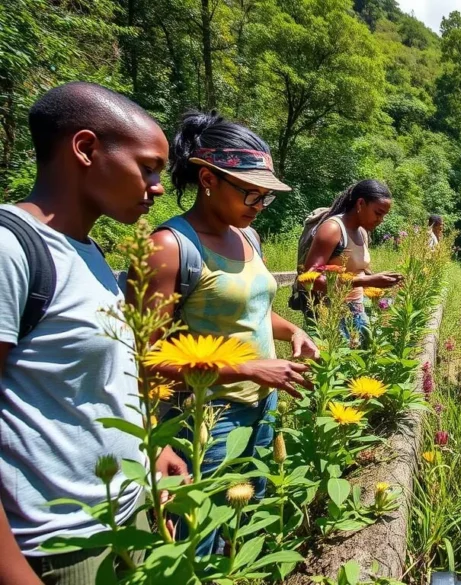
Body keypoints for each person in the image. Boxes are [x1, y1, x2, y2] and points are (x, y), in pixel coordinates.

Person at [0, 82, 188, 584]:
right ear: (85, 149)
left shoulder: (90, 253)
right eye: (147, 167)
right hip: (60, 544)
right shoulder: (11, 251)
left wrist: (153, 448)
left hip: (125, 512)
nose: (158, 186)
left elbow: (103, 381)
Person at [146, 111, 319, 557]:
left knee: (246, 523)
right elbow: (143, 360)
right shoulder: (171, 247)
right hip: (206, 417)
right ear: (208, 179)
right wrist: (247, 367)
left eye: (266, 197)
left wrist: (292, 330)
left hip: (263, 404)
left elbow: (255, 311)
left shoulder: (250, 237)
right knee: (197, 539)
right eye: (251, 193)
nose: (259, 204)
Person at [301, 180, 404, 334]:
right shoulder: (333, 229)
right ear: (361, 203)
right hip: (331, 315)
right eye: (378, 213)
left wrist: (383, 281)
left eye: (384, 215)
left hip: (357, 309)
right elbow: (311, 278)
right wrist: (366, 281)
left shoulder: (362, 232)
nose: (381, 220)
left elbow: (357, 270)